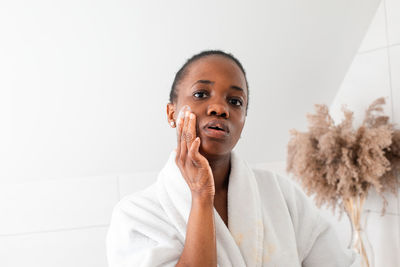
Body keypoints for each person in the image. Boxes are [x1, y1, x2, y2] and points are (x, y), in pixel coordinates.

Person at [106, 50, 360, 266]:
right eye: (201, 94)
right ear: (172, 113)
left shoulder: (280, 195)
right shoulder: (136, 216)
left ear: (243, 121)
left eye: (235, 101)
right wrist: (200, 197)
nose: (220, 108)